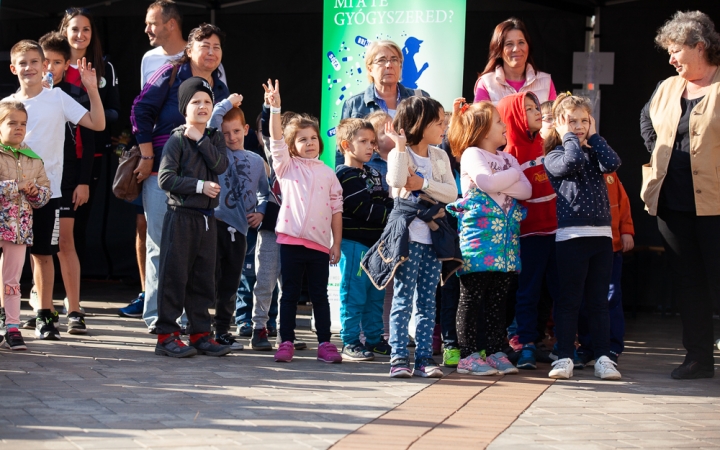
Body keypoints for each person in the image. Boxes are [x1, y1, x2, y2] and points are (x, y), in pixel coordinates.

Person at [131, 23, 229, 334]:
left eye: (216, 46)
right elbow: (139, 110)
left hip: (202, 182)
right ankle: (159, 319)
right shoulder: (172, 73)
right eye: (205, 46)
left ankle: (187, 320)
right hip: (166, 173)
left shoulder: (221, 88)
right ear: (189, 50)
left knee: (192, 252)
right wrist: (147, 156)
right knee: (162, 245)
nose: (211, 52)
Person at [4, 40, 105, 340]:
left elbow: (98, 124)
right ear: (13, 68)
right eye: (23, 63)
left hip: (48, 193)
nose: (29, 68)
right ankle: (6, 315)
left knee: (43, 254)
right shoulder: (6, 105)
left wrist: (92, 89)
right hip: (11, 195)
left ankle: (44, 315)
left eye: (35, 62)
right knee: (8, 256)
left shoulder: (58, 98)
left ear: (45, 66)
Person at [639, 10, 720, 380]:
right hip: (672, 203)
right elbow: (646, 119)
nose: (671, 59)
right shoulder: (667, 87)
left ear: (700, 47)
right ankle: (698, 359)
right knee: (689, 283)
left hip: (715, 203)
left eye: (676, 51)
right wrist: (659, 152)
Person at [363, 96, 461, 379]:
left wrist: (423, 184)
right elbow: (395, 183)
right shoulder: (399, 153)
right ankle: (398, 358)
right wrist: (401, 147)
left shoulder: (440, 155)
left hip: (433, 240)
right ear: (420, 124)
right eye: (438, 122)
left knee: (428, 299)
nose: (444, 126)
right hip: (407, 237)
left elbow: (450, 193)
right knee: (403, 298)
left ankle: (423, 359)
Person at [447, 100, 531, 376]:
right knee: (471, 297)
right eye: (498, 122)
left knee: (498, 298)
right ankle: (468, 354)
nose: (505, 126)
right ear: (483, 131)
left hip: (506, 242)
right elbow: (486, 183)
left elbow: (526, 190)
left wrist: (505, 177)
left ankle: (496, 350)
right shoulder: (473, 154)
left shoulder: (508, 158)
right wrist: (513, 176)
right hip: (478, 240)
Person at [264, 79, 343, 364]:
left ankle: (325, 343)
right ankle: (285, 341)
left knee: (320, 296)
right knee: (290, 295)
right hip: (291, 242)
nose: (309, 143)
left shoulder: (329, 174)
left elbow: (336, 210)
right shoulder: (286, 166)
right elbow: (275, 140)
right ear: (292, 147)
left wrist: (337, 243)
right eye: (302, 139)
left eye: (313, 138)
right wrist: (275, 109)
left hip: (321, 246)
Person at [544, 93, 622, 381]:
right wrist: (568, 138)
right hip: (571, 237)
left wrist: (595, 137)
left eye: (584, 120)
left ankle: (603, 357)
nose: (578, 126)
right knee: (569, 299)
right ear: (559, 125)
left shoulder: (595, 152)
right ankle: (564, 355)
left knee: (598, 300)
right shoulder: (554, 155)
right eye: (571, 121)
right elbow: (572, 163)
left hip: (601, 236)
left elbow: (613, 162)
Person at [154, 77, 230, 358]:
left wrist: (200, 139)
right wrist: (199, 186)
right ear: (184, 108)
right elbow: (165, 178)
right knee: (174, 276)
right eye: (195, 101)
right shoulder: (176, 139)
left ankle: (200, 333)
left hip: (207, 219)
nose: (202, 106)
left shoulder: (214, 137)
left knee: (203, 278)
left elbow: (220, 165)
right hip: (181, 216)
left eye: (207, 101)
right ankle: (166, 336)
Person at [36, 32, 96, 334]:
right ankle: (40, 306)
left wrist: (83, 182)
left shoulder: (71, 94)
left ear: (65, 65)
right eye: (43, 61)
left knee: (65, 244)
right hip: (32, 183)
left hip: (67, 180)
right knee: (35, 249)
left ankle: (74, 308)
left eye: (56, 62)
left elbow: (90, 135)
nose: (48, 68)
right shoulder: (23, 99)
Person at [496, 92, 559, 370]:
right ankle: (524, 342)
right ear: (514, 117)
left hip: (555, 232)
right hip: (528, 235)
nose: (536, 113)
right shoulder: (510, 155)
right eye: (529, 109)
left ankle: (539, 340)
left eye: (537, 107)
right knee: (528, 290)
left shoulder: (548, 146)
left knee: (548, 289)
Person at [59, 8, 121, 284]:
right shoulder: (52, 64)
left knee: (76, 227)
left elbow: (115, 112)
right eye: (74, 29)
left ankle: (72, 296)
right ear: (64, 31)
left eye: (86, 29)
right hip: (51, 158)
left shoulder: (103, 67)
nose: (80, 35)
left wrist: (87, 114)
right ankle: (42, 293)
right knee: (47, 229)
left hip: (89, 158)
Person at [208, 94, 269, 351]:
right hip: (215, 224)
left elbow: (265, 192)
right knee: (205, 278)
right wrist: (226, 104)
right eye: (225, 133)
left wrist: (262, 211)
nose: (231, 137)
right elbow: (211, 123)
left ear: (246, 130)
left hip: (240, 231)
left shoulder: (256, 161)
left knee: (231, 282)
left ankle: (222, 330)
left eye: (236, 131)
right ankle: (195, 325)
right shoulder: (215, 152)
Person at [335, 118, 394, 361]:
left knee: (375, 296)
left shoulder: (374, 172)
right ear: (347, 145)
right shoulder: (345, 174)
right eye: (364, 142)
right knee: (353, 295)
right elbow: (362, 207)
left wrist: (389, 211)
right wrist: (392, 217)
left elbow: (383, 202)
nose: (371, 147)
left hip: (376, 247)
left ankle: (374, 339)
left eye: (372, 142)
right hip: (354, 245)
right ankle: (349, 342)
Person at [0, 101, 52, 350]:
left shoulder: (33, 158)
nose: (19, 128)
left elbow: (44, 196)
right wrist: (15, 186)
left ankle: (12, 327)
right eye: (12, 123)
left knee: (12, 281)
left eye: (23, 123)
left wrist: (34, 192)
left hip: (18, 230)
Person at [339, 40, 429, 166]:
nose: (389, 65)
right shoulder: (354, 104)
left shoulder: (420, 99)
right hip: (369, 181)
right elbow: (342, 151)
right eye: (381, 60)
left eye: (394, 60)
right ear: (370, 69)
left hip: (413, 176)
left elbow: (433, 141)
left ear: (400, 66)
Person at [577, 171, 634, 365]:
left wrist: (626, 230)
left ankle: (612, 347)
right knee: (583, 299)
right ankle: (587, 347)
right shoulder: (570, 165)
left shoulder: (609, 171)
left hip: (612, 246)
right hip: (583, 245)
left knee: (610, 297)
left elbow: (623, 202)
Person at [141, 0, 228, 88]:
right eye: (147, 24)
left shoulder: (207, 58)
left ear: (171, 24)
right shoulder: (148, 58)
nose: (147, 30)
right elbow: (144, 98)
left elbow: (222, 98)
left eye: (153, 24)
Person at [473, 18, 556, 105]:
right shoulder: (486, 83)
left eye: (521, 42)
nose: (516, 49)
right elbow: (480, 118)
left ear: (528, 46)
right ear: (498, 50)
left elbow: (554, 118)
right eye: (509, 44)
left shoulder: (546, 81)